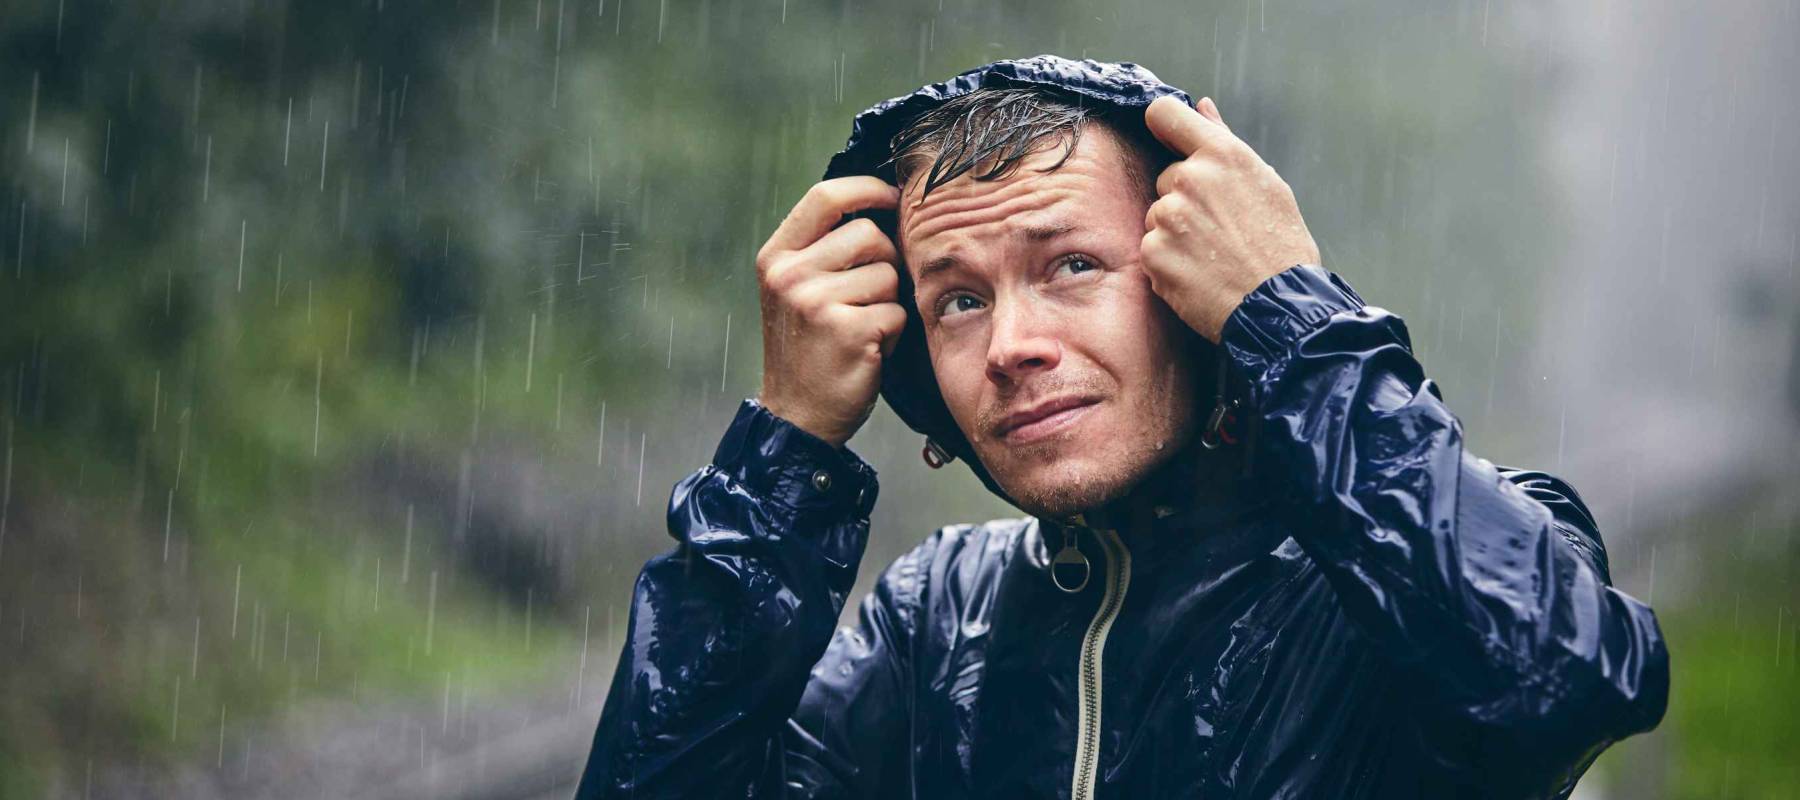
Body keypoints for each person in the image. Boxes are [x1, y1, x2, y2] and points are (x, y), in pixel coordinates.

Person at [573, 55, 1668, 799]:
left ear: (1199, 293)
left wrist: (1290, 315)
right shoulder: (933, 624)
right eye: (958, 298)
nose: (1011, 342)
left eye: (1074, 266)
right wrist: (784, 454)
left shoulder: (1404, 581)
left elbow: (1557, 680)